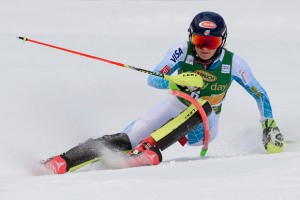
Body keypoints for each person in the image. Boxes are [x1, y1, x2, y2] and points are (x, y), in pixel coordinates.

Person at [42, 11, 284, 174]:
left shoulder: (235, 64)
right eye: (199, 41)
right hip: (176, 105)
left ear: (222, 41)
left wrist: (268, 124)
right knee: (129, 136)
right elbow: (153, 78)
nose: (204, 48)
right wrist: (175, 79)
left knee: (203, 106)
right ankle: (64, 160)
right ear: (191, 37)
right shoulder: (182, 51)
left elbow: (259, 93)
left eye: (211, 43)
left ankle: (149, 150)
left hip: (205, 124)